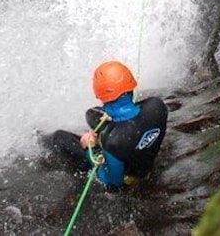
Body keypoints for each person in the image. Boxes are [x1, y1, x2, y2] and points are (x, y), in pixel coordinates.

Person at [47, 61, 168, 189]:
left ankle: (37, 136)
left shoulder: (113, 143)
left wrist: (90, 149)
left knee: (59, 138)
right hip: (141, 158)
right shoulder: (157, 106)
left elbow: (112, 185)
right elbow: (136, 113)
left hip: (126, 173)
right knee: (92, 114)